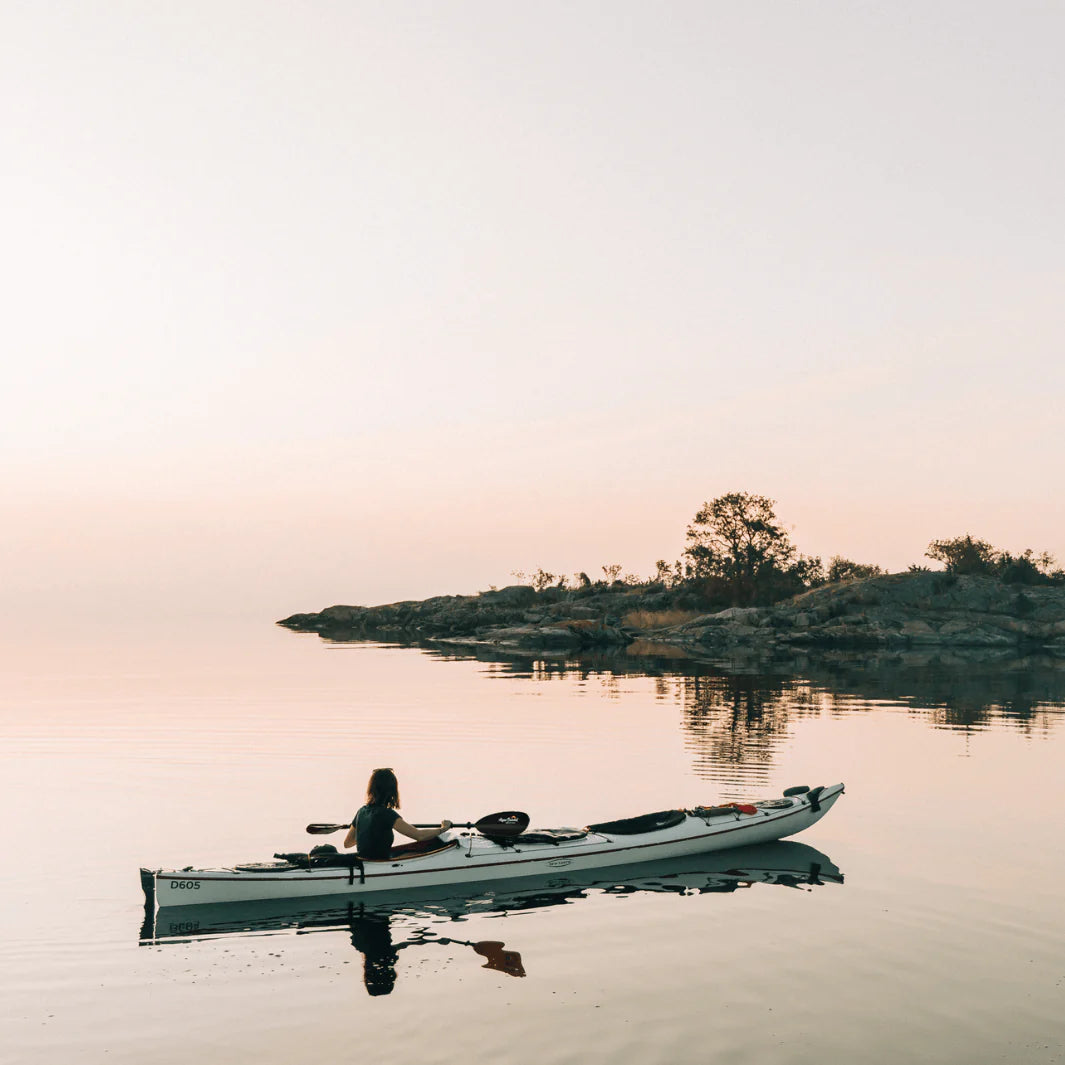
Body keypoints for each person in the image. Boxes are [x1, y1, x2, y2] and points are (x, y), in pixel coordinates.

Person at [344, 767, 452, 858]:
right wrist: (443, 829)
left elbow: (347, 843)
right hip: (380, 863)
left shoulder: (361, 811)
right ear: (392, 790)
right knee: (424, 850)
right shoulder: (387, 814)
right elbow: (419, 836)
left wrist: (368, 832)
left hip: (365, 860)